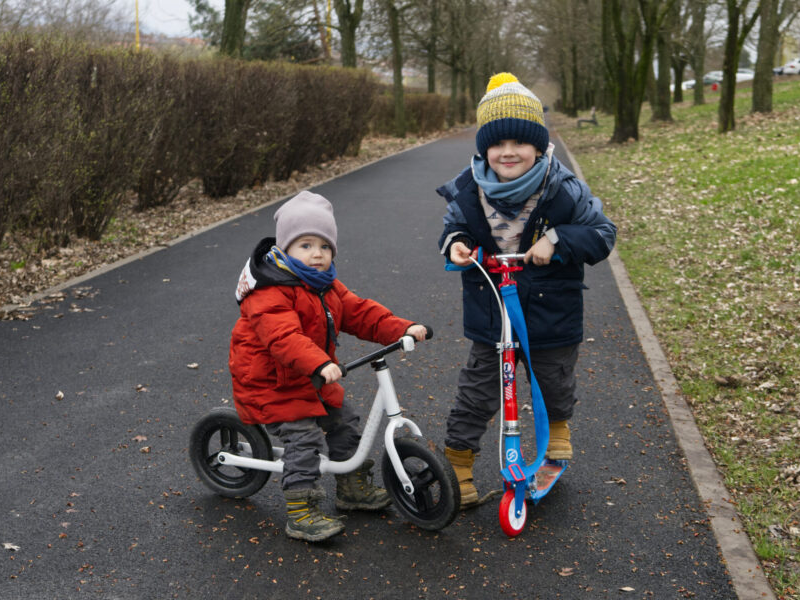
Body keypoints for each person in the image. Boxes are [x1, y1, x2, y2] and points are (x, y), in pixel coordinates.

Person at [437, 73, 617, 508]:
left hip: (551, 312)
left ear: (539, 146)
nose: (508, 152)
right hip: (491, 311)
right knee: (477, 391)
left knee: (553, 381)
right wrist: (456, 245)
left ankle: (556, 434)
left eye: (520, 143)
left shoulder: (564, 189)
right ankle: (458, 464)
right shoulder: (467, 189)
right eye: (498, 144)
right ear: (485, 148)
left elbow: (602, 234)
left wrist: (557, 241)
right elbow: (453, 228)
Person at [229, 190, 427, 542]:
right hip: (272, 384)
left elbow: (360, 312)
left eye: (324, 245)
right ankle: (301, 511)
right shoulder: (269, 292)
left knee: (345, 422)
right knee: (304, 440)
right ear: (285, 248)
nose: (316, 253)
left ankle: (351, 487)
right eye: (305, 245)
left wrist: (402, 328)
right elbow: (283, 337)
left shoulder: (325, 286)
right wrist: (319, 362)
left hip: (313, 378)